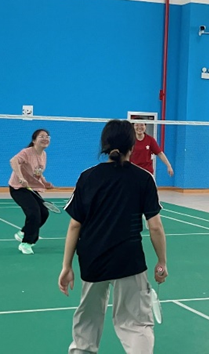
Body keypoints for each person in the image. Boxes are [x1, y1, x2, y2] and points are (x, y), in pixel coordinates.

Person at [59, 119, 168, 354]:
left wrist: (66, 266)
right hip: (128, 260)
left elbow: (75, 225)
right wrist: (162, 261)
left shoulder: (87, 177)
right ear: (133, 146)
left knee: (87, 320)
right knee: (136, 324)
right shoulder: (143, 178)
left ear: (104, 145)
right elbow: (155, 227)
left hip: (92, 259)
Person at [8, 128, 54, 255]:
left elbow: (38, 172)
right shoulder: (27, 152)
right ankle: (26, 243)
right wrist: (20, 177)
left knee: (44, 213)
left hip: (31, 188)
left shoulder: (43, 155)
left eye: (47, 136)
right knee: (34, 213)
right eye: (42, 136)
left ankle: (23, 232)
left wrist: (44, 182)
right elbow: (13, 161)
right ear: (34, 140)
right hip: (18, 188)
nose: (45, 138)